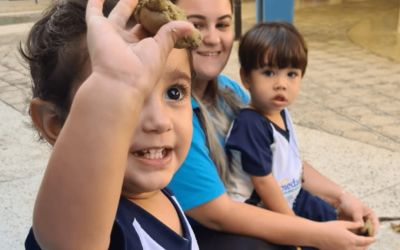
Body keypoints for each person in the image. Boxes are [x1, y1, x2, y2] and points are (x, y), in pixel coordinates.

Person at [168, 0, 379, 249]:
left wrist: (340, 198)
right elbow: (218, 214)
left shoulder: (229, 90)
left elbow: (279, 157)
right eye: (196, 25)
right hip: (200, 231)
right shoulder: (168, 112)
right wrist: (312, 234)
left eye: (223, 24)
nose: (212, 38)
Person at [21, 0, 200, 249]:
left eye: (174, 93)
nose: (159, 121)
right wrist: (114, 82)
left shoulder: (161, 194)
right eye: (121, 101)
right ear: (54, 123)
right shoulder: (91, 225)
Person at [225, 21, 355, 244]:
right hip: (261, 211)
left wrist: (341, 198)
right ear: (246, 78)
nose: (281, 84)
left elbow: (291, 163)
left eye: (292, 74)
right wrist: (296, 227)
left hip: (291, 197)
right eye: (269, 72)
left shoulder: (280, 112)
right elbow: (263, 183)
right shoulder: (250, 124)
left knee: (340, 226)